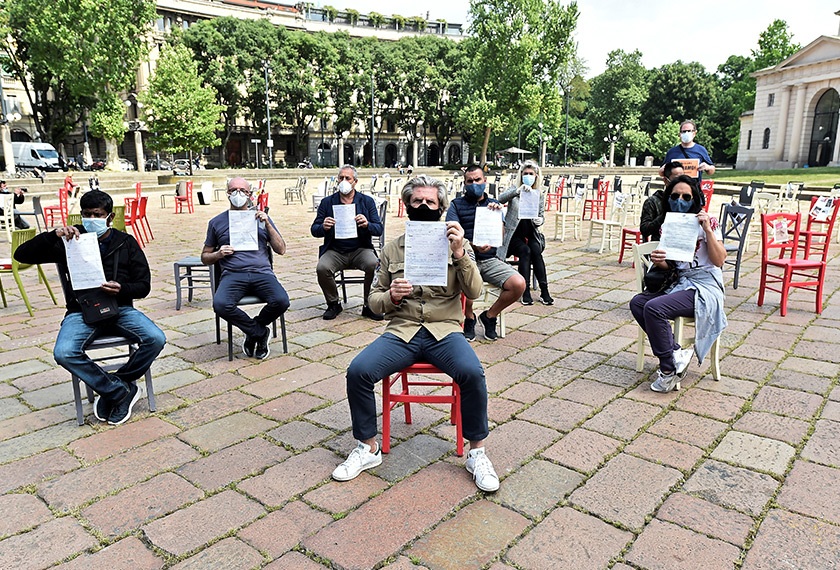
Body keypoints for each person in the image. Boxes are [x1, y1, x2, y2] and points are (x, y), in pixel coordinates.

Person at [333, 175, 500, 492]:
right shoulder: (393, 248)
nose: (424, 206)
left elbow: (475, 291)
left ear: (441, 207)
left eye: (431, 202)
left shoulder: (456, 242)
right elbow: (374, 300)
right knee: (358, 371)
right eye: (417, 201)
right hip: (402, 330)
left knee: (472, 373)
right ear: (407, 204)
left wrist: (460, 254)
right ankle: (367, 447)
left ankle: (476, 453)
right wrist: (393, 296)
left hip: (444, 331)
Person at [13, 190, 166, 425]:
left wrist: (122, 288)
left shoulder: (126, 243)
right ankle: (118, 392)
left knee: (155, 338)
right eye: (86, 214)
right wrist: (54, 235)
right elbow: (21, 255)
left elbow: (143, 285)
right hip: (80, 311)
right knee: (63, 353)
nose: (91, 218)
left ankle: (118, 383)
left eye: (97, 214)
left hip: (120, 308)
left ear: (110, 216)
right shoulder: (70, 241)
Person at [630, 175, 727, 393]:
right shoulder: (668, 224)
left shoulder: (708, 222)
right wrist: (661, 262)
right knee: (638, 302)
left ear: (695, 198)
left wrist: (708, 231)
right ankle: (676, 353)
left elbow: (719, 261)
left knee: (654, 308)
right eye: (674, 196)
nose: (680, 200)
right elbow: (674, 266)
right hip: (680, 282)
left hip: (705, 285)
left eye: (686, 196)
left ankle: (667, 371)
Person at [202, 177, 290, 359]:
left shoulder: (260, 217)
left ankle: (252, 330)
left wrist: (267, 224)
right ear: (227, 194)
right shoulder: (216, 222)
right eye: (233, 190)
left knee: (281, 301)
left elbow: (281, 249)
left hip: (262, 273)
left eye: (243, 190)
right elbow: (204, 257)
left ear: (250, 194)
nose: (238, 194)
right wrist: (218, 254)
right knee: (220, 304)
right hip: (233, 274)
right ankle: (259, 333)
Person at [446, 165, 526, 341]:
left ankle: (489, 316)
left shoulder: (494, 205)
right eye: (470, 181)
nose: (474, 184)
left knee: (518, 284)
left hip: (490, 260)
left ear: (485, 181)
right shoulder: (456, 205)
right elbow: (451, 234)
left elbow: (502, 236)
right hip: (467, 258)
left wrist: (498, 217)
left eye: (478, 180)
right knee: (469, 280)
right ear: (464, 184)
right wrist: (473, 246)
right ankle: (469, 317)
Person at [311, 165, 384, 321]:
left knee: (374, 264)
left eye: (347, 178)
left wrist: (367, 224)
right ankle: (333, 303)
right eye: (341, 178)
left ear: (355, 181)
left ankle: (368, 305)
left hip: (360, 249)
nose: (343, 181)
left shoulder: (367, 201)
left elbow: (378, 229)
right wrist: (323, 226)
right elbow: (314, 230)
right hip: (335, 250)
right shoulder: (327, 202)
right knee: (322, 268)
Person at [497, 160, 553, 305]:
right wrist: (517, 191)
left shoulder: (539, 194)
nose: (528, 176)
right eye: (525, 174)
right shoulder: (514, 189)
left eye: (531, 174)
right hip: (513, 235)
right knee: (525, 251)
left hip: (531, 233)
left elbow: (541, 215)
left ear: (536, 176)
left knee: (536, 250)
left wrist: (540, 220)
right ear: (521, 175)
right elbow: (500, 199)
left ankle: (545, 290)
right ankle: (524, 290)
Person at [640, 161, 684, 241]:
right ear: (665, 180)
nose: (680, 182)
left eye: (682, 178)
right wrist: (664, 215)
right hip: (659, 247)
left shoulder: (688, 200)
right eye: (676, 179)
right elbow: (644, 230)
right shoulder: (653, 201)